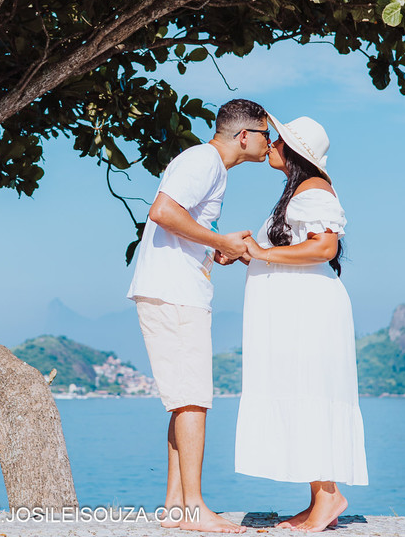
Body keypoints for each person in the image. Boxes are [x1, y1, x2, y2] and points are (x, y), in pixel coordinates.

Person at [126, 98, 272, 533]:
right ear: (244, 136)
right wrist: (220, 241)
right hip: (174, 292)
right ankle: (194, 509)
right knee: (192, 401)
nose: (271, 143)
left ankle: (175, 506)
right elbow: (162, 211)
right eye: (266, 135)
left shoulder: (209, 166)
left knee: (183, 400)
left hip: (175, 288)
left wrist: (214, 247)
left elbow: (178, 223)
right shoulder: (204, 160)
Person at [227, 115, 368, 532]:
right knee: (301, 389)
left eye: (278, 139)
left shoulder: (313, 190)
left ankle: (328, 497)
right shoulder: (300, 191)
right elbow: (293, 247)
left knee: (308, 389)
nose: (269, 142)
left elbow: (324, 247)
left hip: (308, 312)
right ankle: (319, 500)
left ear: (293, 150)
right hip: (297, 309)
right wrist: (246, 251)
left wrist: (260, 252)